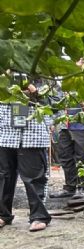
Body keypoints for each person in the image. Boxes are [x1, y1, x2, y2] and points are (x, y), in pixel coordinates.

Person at [0, 78, 52, 232]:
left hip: (32, 134)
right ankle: (3, 214)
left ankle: (39, 216)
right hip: (5, 133)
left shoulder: (46, 78)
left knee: (34, 177)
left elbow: (54, 106)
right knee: (3, 175)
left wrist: (35, 92)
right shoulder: (4, 75)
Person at [50, 102, 84, 200]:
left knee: (82, 157)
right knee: (65, 155)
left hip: (83, 125)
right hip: (64, 125)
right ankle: (70, 187)